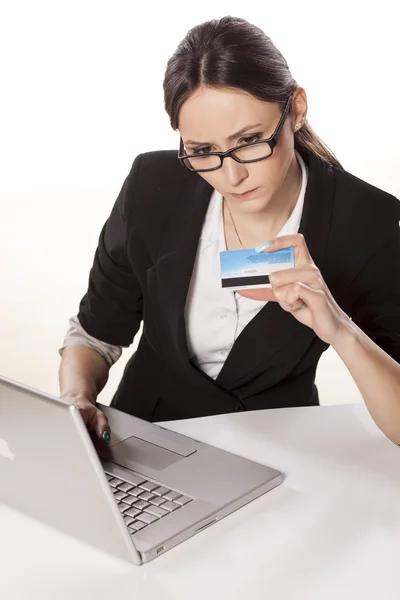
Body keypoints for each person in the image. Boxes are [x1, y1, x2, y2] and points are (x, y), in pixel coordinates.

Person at [59, 16, 400, 445]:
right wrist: (76, 396)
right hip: (145, 441)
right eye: (202, 151)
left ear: (295, 110)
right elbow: (95, 332)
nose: (231, 176)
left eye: (249, 142)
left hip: (282, 454)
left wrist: (341, 330)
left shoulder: (366, 219)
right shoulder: (152, 185)